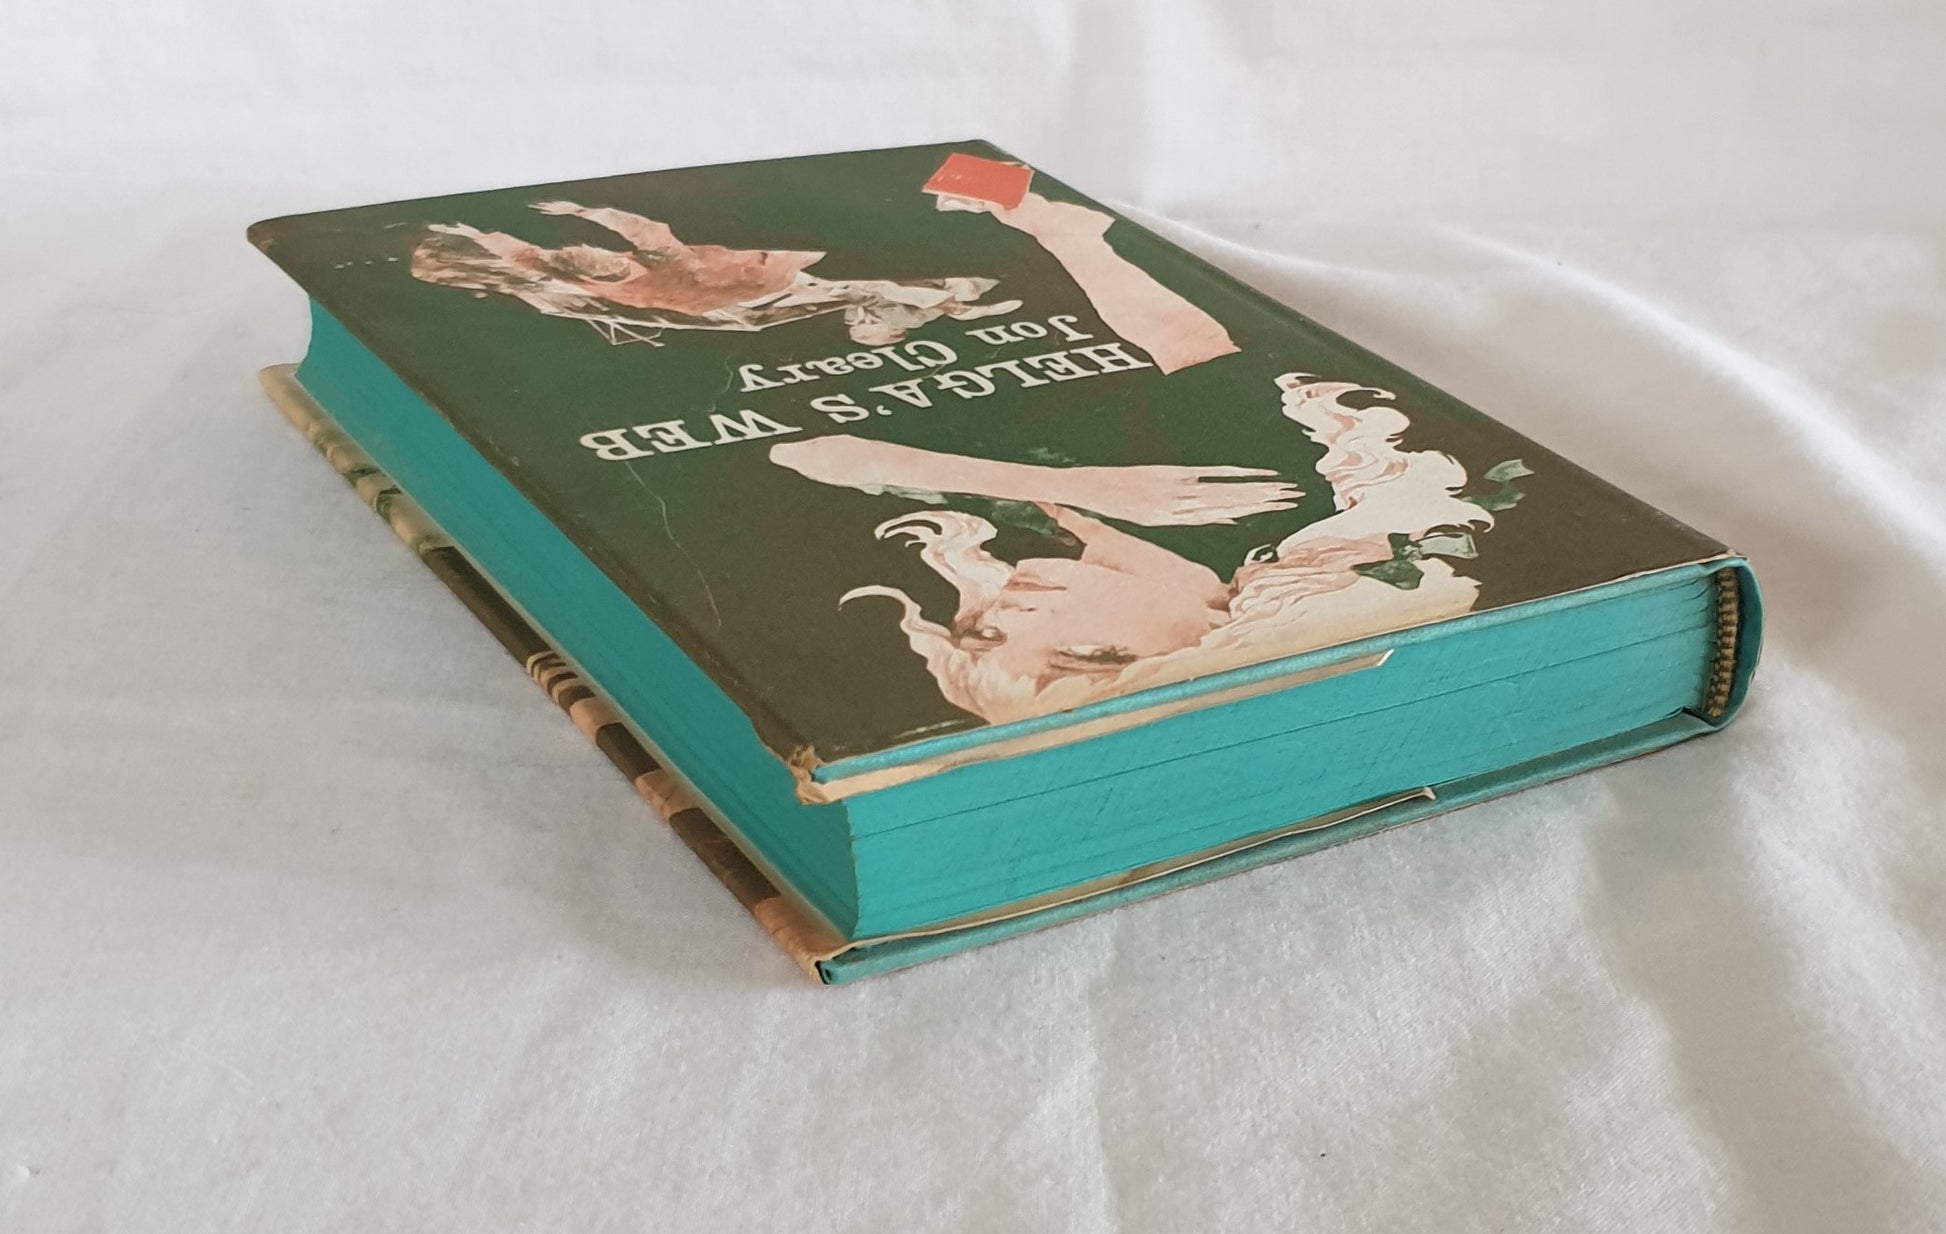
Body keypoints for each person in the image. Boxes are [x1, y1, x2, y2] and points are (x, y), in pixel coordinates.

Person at [769, 375, 1514, 724]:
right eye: (1087, 655)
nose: (1007, 611)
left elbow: (784, 451)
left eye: (982, 632)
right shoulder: (1313, 511)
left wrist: (1068, 488)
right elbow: (1208, 356)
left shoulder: (1053, 521)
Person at [410, 201, 1019, 344]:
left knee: (861, 289)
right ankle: (952, 302)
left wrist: (473, 234)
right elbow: (648, 231)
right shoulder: (645, 265)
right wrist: (586, 213)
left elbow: (519, 253)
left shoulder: (561, 277)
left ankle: (950, 303)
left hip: (731, 302)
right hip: (742, 296)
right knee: (862, 288)